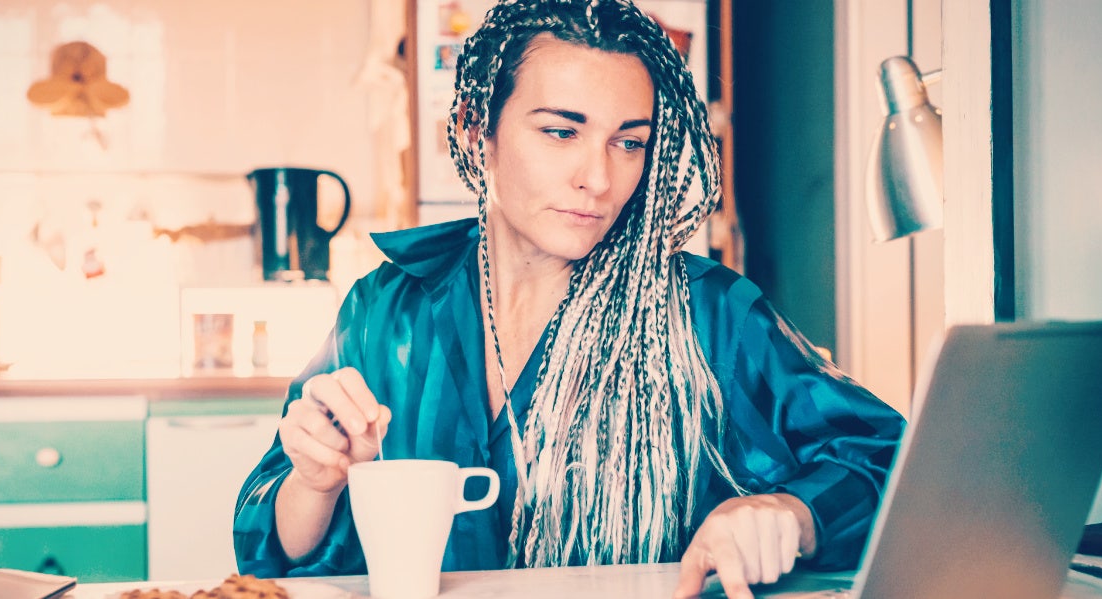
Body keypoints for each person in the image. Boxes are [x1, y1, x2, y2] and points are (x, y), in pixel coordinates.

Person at [234, 1, 905, 598]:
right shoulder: (385, 309)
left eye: (629, 142)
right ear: (477, 129)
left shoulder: (709, 315)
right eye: (561, 131)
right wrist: (314, 483)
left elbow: (890, 459)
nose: (598, 177)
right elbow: (269, 552)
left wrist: (789, 513)